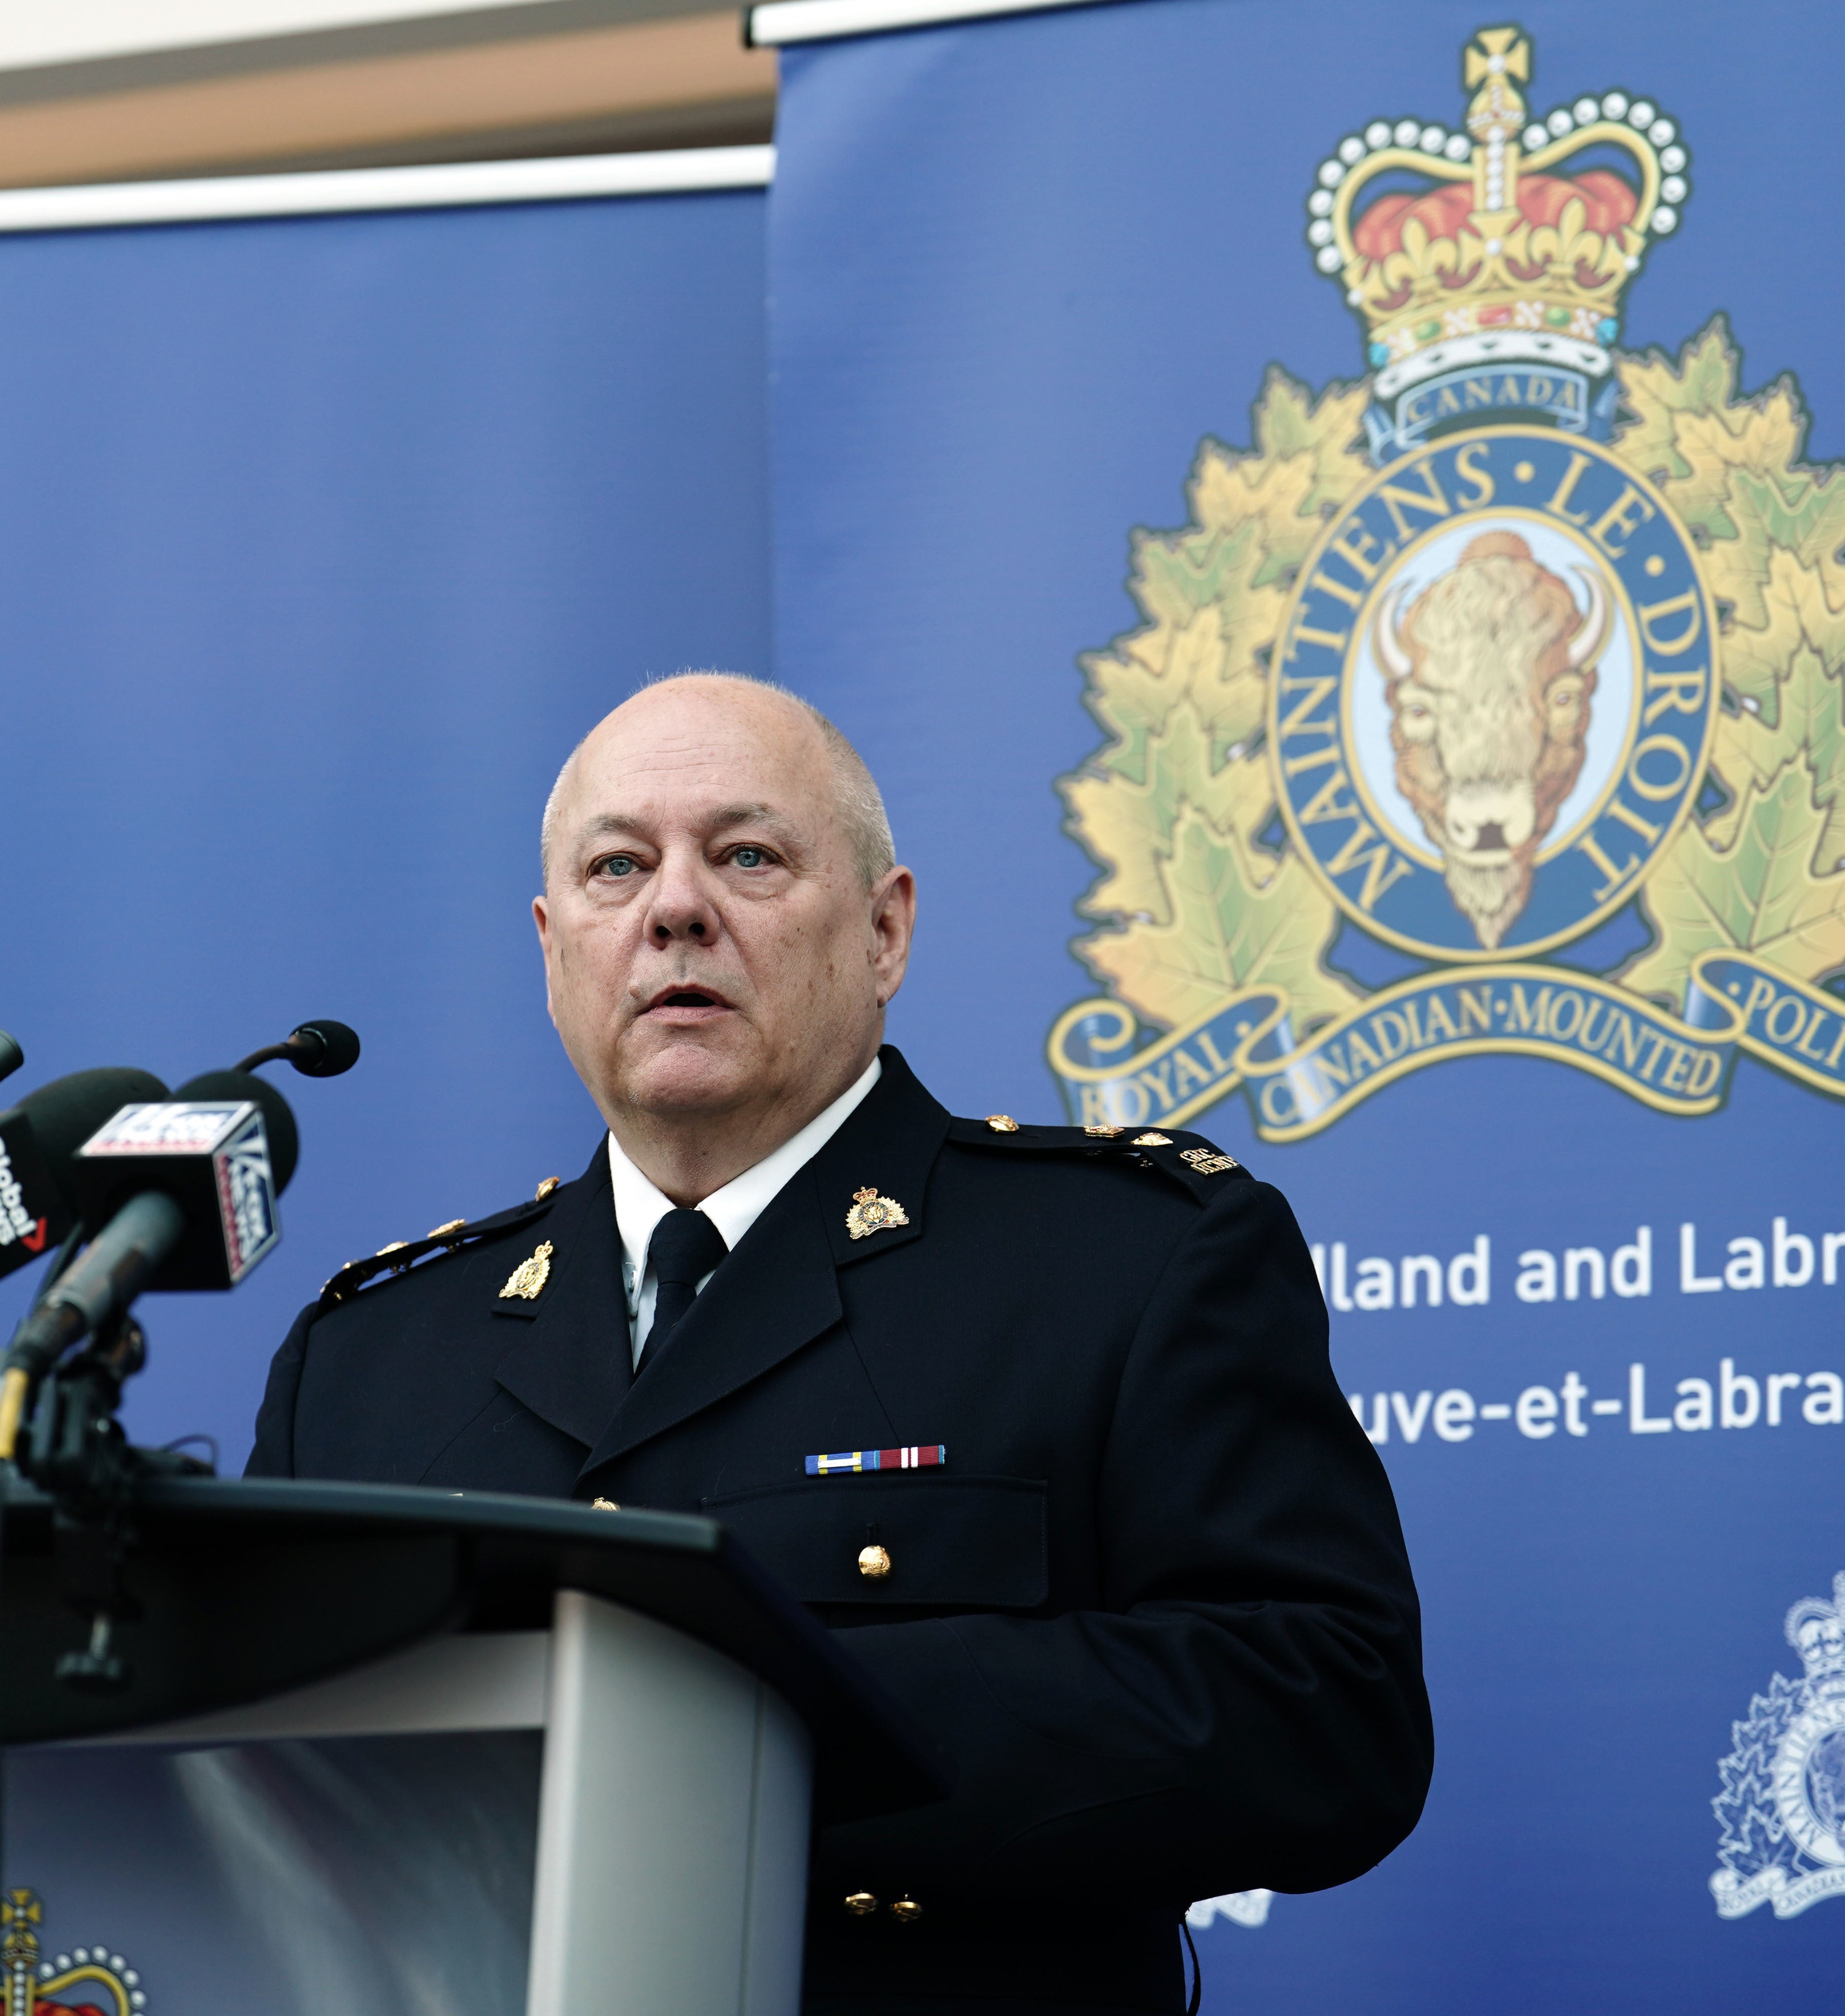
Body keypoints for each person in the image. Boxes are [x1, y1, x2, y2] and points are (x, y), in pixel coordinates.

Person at [251, 673, 1428, 2012]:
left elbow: (1330, 1714)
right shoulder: (368, 1358)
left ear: (885, 931)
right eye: (616, 867)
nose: (675, 908)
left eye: (746, 856)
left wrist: (769, 1725)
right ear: (551, 945)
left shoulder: (1126, 1262)